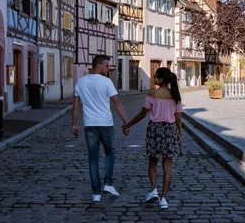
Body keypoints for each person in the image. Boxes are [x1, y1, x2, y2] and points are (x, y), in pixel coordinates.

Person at [122, 67, 182, 209]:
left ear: (161, 80)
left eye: (155, 76)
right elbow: (178, 117)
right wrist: (179, 134)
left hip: (155, 130)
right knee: (167, 165)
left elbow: (142, 114)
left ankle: (153, 190)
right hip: (170, 130)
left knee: (152, 162)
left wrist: (127, 124)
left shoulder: (151, 94)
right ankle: (164, 199)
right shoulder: (176, 96)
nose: (153, 78)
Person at [72, 55, 130, 202]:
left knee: (93, 158)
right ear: (98, 65)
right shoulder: (106, 82)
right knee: (110, 151)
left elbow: (76, 105)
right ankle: (108, 184)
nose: (108, 68)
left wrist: (74, 124)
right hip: (105, 124)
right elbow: (117, 103)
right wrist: (126, 122)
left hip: (89, 124)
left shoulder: (80, 82)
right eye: (106, 65)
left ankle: (96, 193)